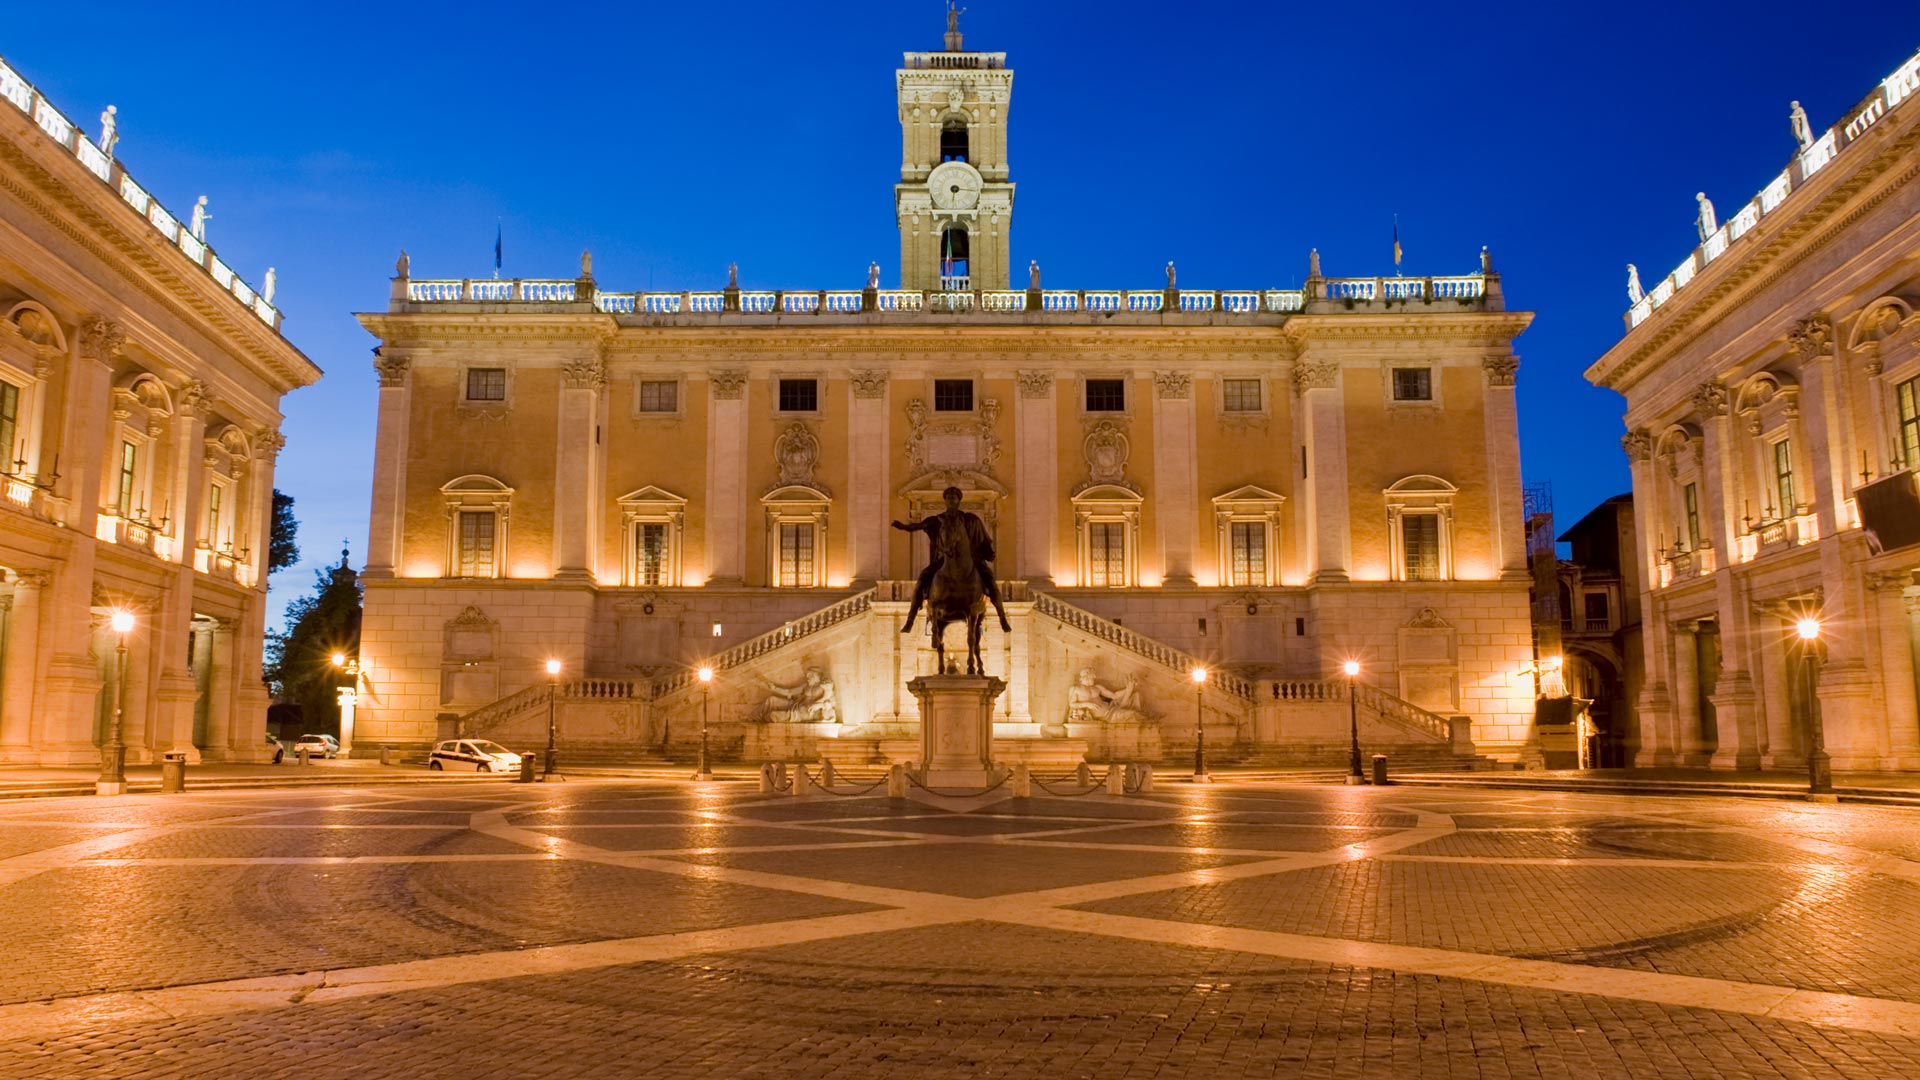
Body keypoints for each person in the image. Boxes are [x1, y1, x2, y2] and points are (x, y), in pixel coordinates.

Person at [893, 486, 1010, 633]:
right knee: (922, 578)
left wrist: (987, 551)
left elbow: (983, 537)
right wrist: (903, 527)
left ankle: (1002, 617)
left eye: (954, 498)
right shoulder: (938, 520)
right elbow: (918, 526)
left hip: (972, 560)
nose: (951, 500)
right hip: (943, 559)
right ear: (945, 501)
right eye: (948, 498)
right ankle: (910, 619)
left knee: (990, 580)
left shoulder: (970, 520)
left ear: (958, 500)